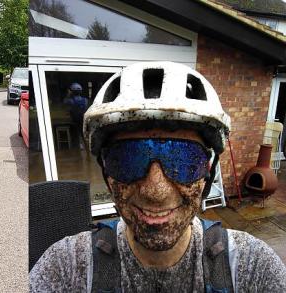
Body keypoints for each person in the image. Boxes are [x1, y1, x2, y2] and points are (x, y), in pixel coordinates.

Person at [29, 61, 286, 292]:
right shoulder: (66, 268)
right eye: (129, 158)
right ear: (107, 172)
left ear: (207, 173)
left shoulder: (251, 268)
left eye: (182, 159)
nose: (156, 191)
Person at [63, 82, 88, 149]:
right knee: (84, 134)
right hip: (83, 120)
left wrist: (68, 94)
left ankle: (78, 146)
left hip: (74, 121)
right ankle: (85, 147)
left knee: (76, 134)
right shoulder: (85, 100)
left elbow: (64, 102)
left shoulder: (70, 101)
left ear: (72, 92)